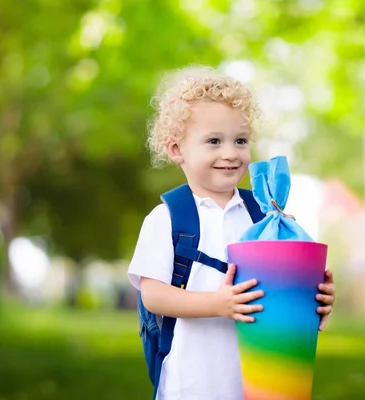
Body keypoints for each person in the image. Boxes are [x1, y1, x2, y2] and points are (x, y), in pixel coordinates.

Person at [127, 66, 336, 400]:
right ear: (176, 149)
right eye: (214, 141)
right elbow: (153, 296)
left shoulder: (268, 217)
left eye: (240, 140)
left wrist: (317, 297)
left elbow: (289, 289)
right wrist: (217, 303)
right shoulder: (166, 219)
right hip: (190, 384)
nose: (230, 153)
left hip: (259, 384)